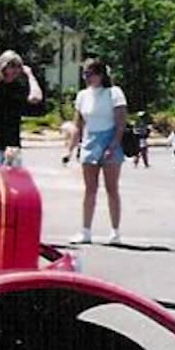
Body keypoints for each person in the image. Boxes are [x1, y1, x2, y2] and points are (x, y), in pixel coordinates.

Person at [64, 57, 127, 245]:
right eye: (84, 73)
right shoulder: (83, 95)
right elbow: (77, 125)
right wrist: (69, 150)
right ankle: (86, 231)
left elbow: (120, 123)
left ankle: (115, 231)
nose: (87, 77)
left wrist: (113, 145)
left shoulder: (114, 93)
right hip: (90, 141)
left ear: (101, 74)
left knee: (111, 188)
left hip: (109, 140)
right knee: (90, 189)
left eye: (90, 73)